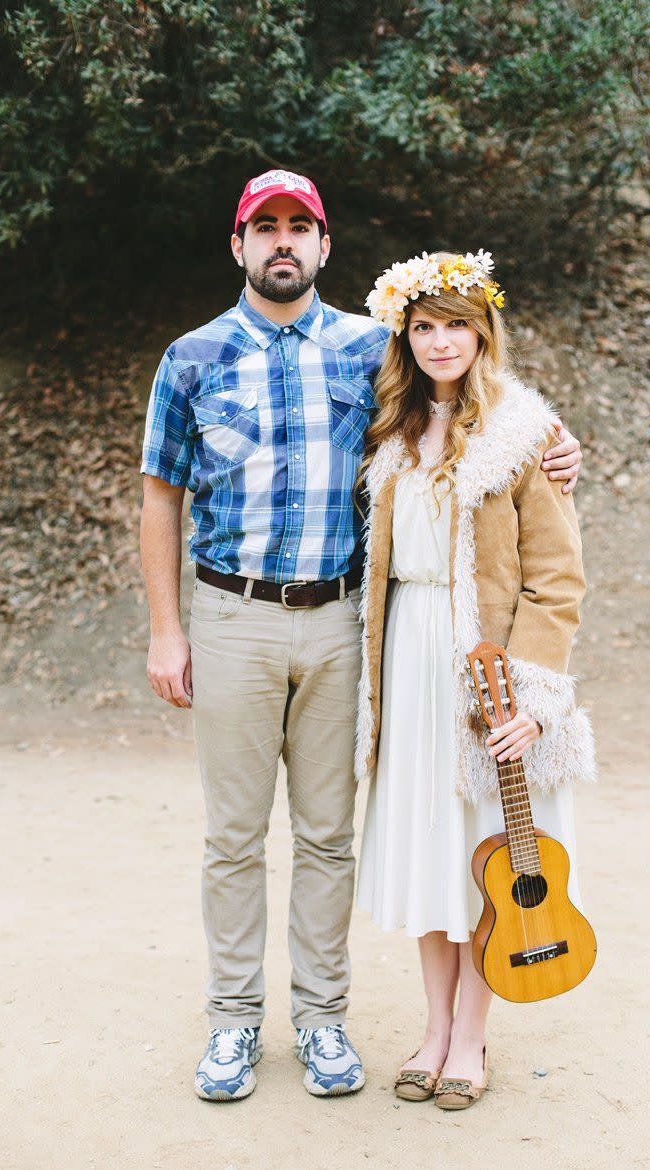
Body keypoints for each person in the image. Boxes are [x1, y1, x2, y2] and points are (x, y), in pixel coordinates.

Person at [139, 170, 584, 1102]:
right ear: (239, 245)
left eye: (301, 226)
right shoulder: (195, 357)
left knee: (333, 836)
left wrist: (556, 442)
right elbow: (159, 496)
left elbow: (485, 419)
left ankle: (324, 1022)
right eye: (266, 228)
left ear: (326, 245)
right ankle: (232, 1024)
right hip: (241, 619)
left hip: (356, 626)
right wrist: (166, 629)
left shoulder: (363, 352)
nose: (283, 242)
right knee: (237, 835)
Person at [355, 249, 595, 1110]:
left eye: (457, 323)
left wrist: (533, 699)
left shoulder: (524, 433)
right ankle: (430, 1027)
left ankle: (471, 1036)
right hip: (408, 665)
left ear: (482, 330)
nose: (441, 341)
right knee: (429, 853)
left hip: (484, 671)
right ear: (406, 338)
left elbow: (556, 579)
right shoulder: (388, 430)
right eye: (424, 326)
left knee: (485, 855)